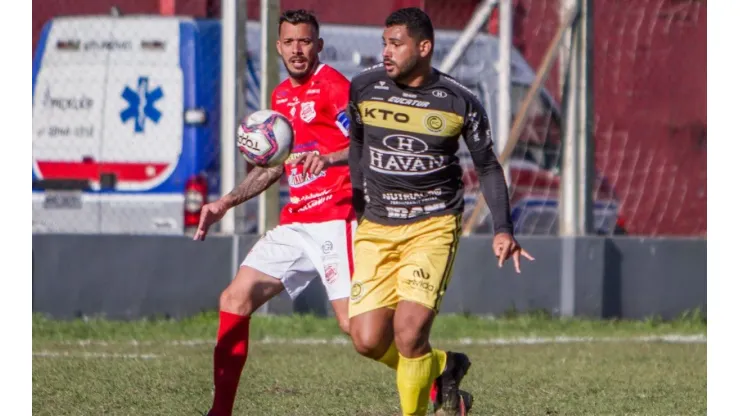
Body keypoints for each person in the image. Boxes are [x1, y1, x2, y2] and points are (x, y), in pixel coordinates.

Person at [346, 7, 534, 416]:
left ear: (424, 47)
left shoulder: (459, 101)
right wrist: (358, 199)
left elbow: (487, 165)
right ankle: (445, 367)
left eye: (396, 43)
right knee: (366, 339)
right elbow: (357, 145)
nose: (386, 52)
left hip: (432, 225)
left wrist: (503, 228)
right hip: (376, 227)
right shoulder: (363, 88)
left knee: (409, 335)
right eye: (384, 43)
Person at [195, 10, 357, 416]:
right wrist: (224, 202)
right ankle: (221, 411)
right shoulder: (280, 98)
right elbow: (273, 167)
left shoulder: (335, 87)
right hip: (296, 222)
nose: (297, 49)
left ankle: (440, 373)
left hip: (337, 220)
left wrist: (330, 158)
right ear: (278, 46)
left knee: (358, 330)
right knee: (235, 297)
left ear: (318, 46)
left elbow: (364, 144)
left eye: (305, 41)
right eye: (290, 42)